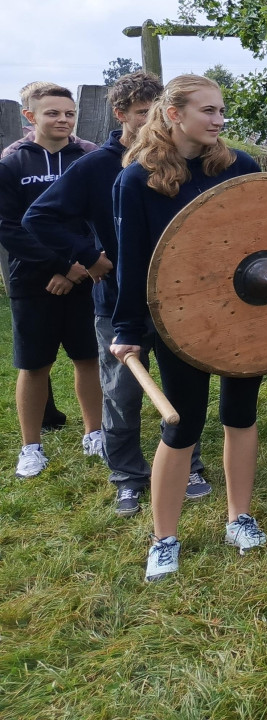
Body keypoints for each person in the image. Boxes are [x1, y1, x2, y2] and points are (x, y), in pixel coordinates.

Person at [24, 72, 210, 514]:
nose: (154, 121)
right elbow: (39, 217)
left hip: (181, 302)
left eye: (159, 112)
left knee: (182, 390)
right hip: (117, 302)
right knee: (122, 394)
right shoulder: (96, 167)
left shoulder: (185, 162)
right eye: (144, 113)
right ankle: (127, 475)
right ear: (120, 114)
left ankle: (188, 465)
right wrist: (90, 257)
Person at [111, 75, 266, 581]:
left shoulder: (240, 167)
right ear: (174, 114)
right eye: (208, 111)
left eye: (222, 110)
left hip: (245, 312)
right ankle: (164, 539)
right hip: (180, 318)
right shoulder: (138, 180)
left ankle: (239, 518)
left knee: (240, 413)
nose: (220, 120)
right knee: (182, 424)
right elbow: (133, 261)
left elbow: (266, 237)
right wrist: (128, 328)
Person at [1, 83, 102, 479]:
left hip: (84, 277)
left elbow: (97, 219)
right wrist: (59, 266)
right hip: (32, 280)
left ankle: (95, 433)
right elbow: (9, 228)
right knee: (34, 364)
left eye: (69, 113)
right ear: (30, 117)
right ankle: (30, 447)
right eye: (52, 113)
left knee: (87, 357)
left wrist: (79, 266)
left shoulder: (88, 159)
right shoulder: (12, 163)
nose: (63, 120)